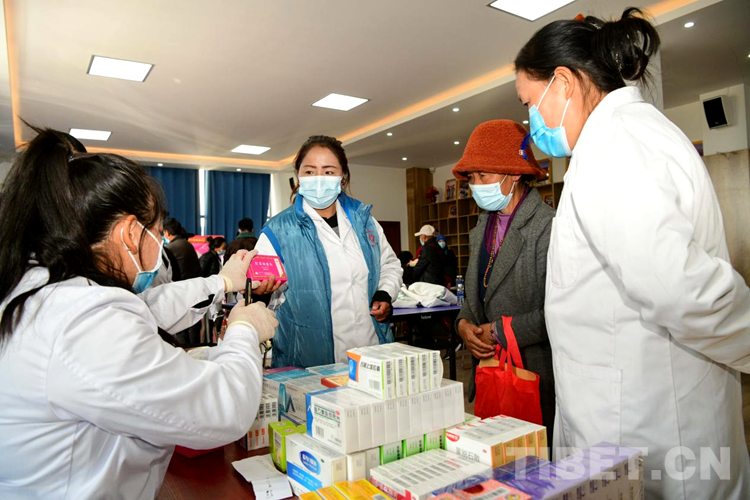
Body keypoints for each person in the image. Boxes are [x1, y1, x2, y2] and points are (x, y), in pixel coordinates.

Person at [515, 8, 750, 498]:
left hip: (647, 420)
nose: (530, 122)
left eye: (530, 103)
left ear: (564, 82)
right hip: (628, 408)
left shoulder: (616, 146)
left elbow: (680, 289)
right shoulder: (616, 140)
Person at [0, 128, 278, 499]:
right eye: (157, 230)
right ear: (130, 233)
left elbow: (147, 309)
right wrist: (244, 329)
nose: (159, 241)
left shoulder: (46, 288)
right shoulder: (83, 320)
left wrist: (222, 282)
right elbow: (223, 409)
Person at [254, 135, 403, 367]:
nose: (319, 178)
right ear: (298, 176)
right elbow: (261, 289)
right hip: (309, 360)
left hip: (370, 349)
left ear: (343, 177)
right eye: (310, 171)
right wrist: (260, 292)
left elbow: (389, 264)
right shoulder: (278, 230)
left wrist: (384, 294)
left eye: (329, 171)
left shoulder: (364, 221)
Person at [453, 120, 555, 438]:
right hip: (490, 374)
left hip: (532, 374)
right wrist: (463, 324)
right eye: (471, 177)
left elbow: (559, 313)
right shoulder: (481, 227)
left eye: (483, 175)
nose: (476, 185)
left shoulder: (548, 227)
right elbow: (476, 295)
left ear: (515, 174)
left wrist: (498, 331)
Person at [163, 218, 203, 345]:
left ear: (167, 233)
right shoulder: (188, 245)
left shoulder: (169, 248)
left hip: (180, 292)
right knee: (193, 326)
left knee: (181, 328)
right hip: (194, 290)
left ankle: (186, 352)